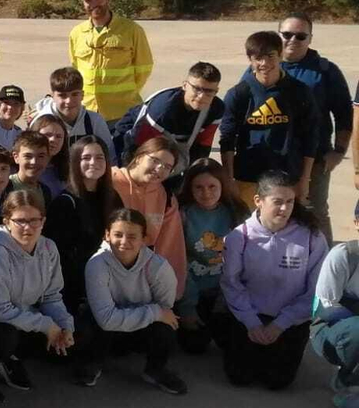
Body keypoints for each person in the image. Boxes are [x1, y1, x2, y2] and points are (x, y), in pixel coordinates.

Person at [217, 171, 325, 390]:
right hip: (250, 314)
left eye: (290, 202)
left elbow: (315, 290)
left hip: (290, 319)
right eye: (278, 202)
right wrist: (251, 322)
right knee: (240, 377)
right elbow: (231, 283)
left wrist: (281, 324)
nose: (285, 209)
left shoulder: (312, 237)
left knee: (277, 381)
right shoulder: (240, 236)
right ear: (258, 201)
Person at [0, 189, 71, 403]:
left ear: (43, 220)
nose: (28, 227)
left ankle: (11, 358)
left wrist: (64, 326)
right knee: (5, 337)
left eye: (34, 220)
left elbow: (52, 296)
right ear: (7, 221)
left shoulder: (48, 247)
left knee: (71, 338)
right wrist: (46, 326)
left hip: (22, 315)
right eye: (20, 221)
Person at [74, 208, 185, 393]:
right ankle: (92, 363)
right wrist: (153, 313)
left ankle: (155, 370)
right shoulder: (97, 264)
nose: (124, 242)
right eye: (118, 235)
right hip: (107, 327)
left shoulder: (159, 268)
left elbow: (165, 308)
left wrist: (156, 314)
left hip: (139, 328)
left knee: (167, 325)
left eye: (133, 236)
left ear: (144, 239)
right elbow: (106, 319)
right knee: (86, 323)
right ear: (107, 235)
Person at [274, 14, 349, 237]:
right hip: (272, 156)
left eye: (300, 36)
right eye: (286, 34)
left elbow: (344, 114)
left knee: (314, 211)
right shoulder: (264, 65)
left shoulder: (325, 71)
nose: (292, 40)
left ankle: (326, 267)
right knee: (273, 210)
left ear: (310, 39)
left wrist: (338, 152)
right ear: (278, 35)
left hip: (316, 158)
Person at [176, 159, 246, 354]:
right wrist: (187, 307)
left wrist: (228, 302)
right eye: (198, 187)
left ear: (223, 185)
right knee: (194, 345)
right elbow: (179, 261)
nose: (206, 193)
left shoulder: (237, 214)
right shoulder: (182, 215)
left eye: (212, 186)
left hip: (225, 293)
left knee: (229, 343)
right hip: (193, 290)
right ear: (190, 188)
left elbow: (243, 264)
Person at [110, 63, 224, 182]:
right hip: (131, 140)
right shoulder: (163, 109)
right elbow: (142, 149)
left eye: (209, 91)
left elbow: (202, 147)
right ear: (185, 85)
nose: (201, 96)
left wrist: (190, 177)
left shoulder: (216, 109)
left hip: (171, 147)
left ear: (216, 91)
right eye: (197, 89)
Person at [46, 136, 118, 313]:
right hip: (77, 294)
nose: (93, 162)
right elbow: (60, 256)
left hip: (111, 286)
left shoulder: (112, 197)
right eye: (86, 158)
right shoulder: (65, 203)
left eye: (99, 157)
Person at [109, 135, 187, 288]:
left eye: (167, 167)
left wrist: (170, 285)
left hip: (145, 271)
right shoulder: (110, 181)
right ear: (139, 157)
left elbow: (170, 244)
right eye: (155, 160)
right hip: (108, 264)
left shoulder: (166, 198)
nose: (159, 169)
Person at [67, 0, 153, 117]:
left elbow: (144, 67)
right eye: (88, 0)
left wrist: (128, 91)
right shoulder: (77, 33)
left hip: (123, 110)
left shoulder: (131, 30)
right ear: (83, 4)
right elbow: (76, 68)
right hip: (88, 109)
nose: (93, 3)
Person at [310, 207, 359, 408]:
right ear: (357, 222)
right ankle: (348, 384)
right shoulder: (344, 256)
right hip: (332, 329)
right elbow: (325, 308)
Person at [34, 67, 116, 165]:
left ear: (82, 95)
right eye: (62, 95)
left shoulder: (94, 120)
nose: (69, 101)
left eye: (74, 94)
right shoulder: (41, 122)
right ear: (52, 96)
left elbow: (110, 157)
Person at [27, 112, 70, 200]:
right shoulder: (17, 168)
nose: (53, 140)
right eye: (47, 135)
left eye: (58, 136)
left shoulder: (67, 170)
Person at [8, 131, 55, 203]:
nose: (34, 162)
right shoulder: (6, 186)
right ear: (16, 157)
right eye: (28, 156)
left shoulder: (45, 191)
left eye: (41, 156)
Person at [0, 84, 26, 150]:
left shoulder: (20, 134)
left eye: (16, 103)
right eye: (6, 102)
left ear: (22, 108)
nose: (10, 107)